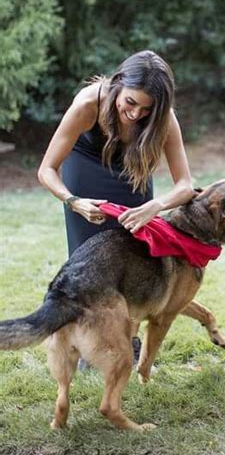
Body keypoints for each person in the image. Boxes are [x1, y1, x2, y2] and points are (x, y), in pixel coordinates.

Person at [38, 50, 195, 364]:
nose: (136, 114)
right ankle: (88, 346)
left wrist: (155, 206)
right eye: (130, 103)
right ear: (118, 85)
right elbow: (46, 170)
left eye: (146, 109)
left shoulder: (164, 119)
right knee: (90, 260)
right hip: (85, 169)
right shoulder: (88, 104)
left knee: (138, 257)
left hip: (131, 175)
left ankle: (128, 337)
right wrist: (74, 201)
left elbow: (186, 185)